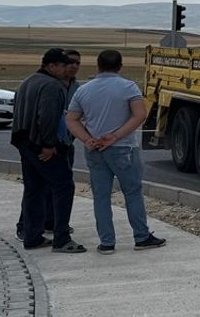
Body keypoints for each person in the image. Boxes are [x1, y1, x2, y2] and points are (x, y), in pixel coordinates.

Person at [66, 49, 166, 253]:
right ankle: (141, 236)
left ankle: (107, 242)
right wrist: (116, 136)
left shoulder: (84, 90)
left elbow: (71, 119)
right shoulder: (128, 87)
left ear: (98, 65)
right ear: (120, 66)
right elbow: (139, 115)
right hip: (123, 148)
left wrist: (87, 139)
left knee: (101, 196)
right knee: (132, 192)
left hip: (95, 149)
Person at [10, 48, 84, 252]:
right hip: (42, 144)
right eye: (63, 65)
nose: (67, 68)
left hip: (24, 141)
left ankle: (32, 236)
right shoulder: (52, 86)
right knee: (63, 186)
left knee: (34, 188)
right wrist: (49, 145)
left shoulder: (28, 81)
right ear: (51, 66)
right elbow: (48, 117)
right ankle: (61, 238)